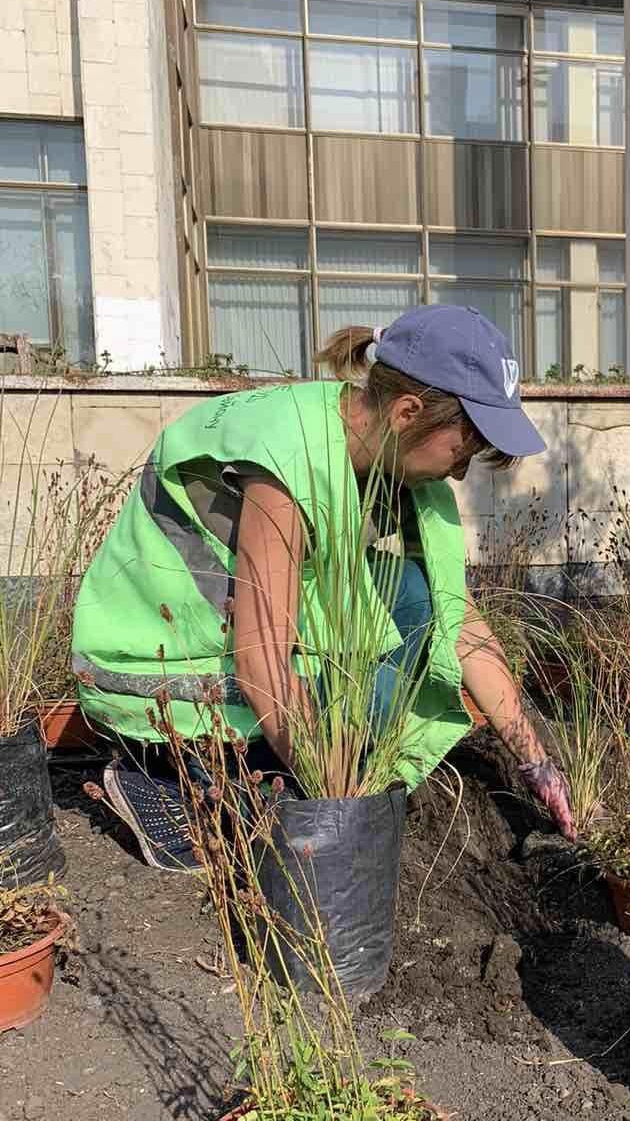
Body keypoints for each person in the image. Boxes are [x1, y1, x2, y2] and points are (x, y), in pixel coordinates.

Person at [72, 305, 576, 869]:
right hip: (161, 658)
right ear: (409, 412)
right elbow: (261, 658)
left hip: (242, 622)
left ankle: (266, 771)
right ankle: (169, 780)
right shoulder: (289, 460)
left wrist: (539, 765)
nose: (461, 472)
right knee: (345, 738)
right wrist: (335, 796)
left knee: (414, 594)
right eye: (464, 450)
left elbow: (458, 622)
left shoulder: (392, 454)